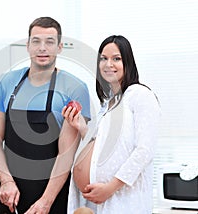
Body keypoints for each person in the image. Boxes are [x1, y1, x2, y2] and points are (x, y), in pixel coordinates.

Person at [0, 17, 91, 214]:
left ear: (59, 47)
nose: (42, 48)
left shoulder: (75, 89)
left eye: (50, 42)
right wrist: (6, 181)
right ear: (27, 46)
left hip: (53, 197)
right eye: (36, 41)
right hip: (10, 195)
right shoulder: (5, 82)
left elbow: (66, 154)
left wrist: (45, 202)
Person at [63, 35, 161, 213]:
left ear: (128, 62)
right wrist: (81, 127)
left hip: (122, 200)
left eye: (116, 59)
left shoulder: (140, 95)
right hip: (96, 202)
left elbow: (145, 150)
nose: (108, 64)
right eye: (103, 59)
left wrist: (111, 187)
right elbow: (102, 146)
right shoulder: (109, 104)